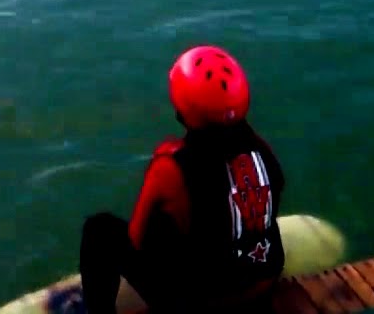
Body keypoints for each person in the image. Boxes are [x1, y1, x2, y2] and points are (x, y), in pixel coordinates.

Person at [78, 45, 286, 314]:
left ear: (183, 105)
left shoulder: (171, 166)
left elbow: (137, 239)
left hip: (203, 302)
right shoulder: (263, 149)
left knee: (99, 230)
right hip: (262, 287)